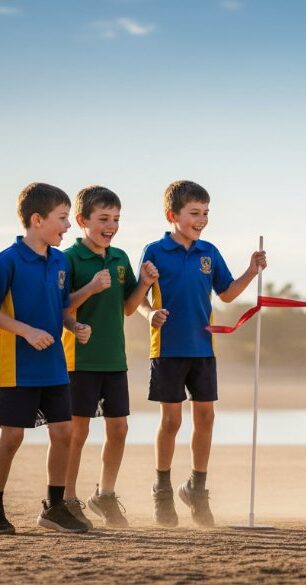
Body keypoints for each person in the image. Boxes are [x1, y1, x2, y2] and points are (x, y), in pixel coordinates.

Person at [139, 180, 266, 527]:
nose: (202, 219)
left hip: (203, 348)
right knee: (171, 420)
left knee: (206, 417)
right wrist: (151, 314)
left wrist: (251, 271)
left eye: (206, 213)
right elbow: (139, 300)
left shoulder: (209, 251)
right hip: (166, 349)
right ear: (172, 214)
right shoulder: (154, 251)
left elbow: (226, 294)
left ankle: (197, 488)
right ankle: (162, 490)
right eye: (195, 213)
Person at [61, 185, 158, 528]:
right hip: (79, 360)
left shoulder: (119, 259)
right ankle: (67, 498)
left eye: (116, 219)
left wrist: (144, 283)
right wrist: (89, 289)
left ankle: (104, 494)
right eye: (103, 219)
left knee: (119, 428)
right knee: (78, 431)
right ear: (81, 220)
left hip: (114, 359)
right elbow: (59, 307)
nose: (111, 225)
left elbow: (129, 308)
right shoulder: (68, 259)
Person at [0, 182, 92, 534]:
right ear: (37, 220)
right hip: (16, 367)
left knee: (65, 432)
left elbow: (62, 307)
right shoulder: (7, 261)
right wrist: (26, 331)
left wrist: (74, 324)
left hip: (54, 365)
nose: (69, 226)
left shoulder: (61, 261)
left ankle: (54, 508)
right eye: (63, 218)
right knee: (12, 438)